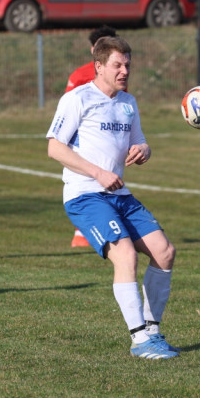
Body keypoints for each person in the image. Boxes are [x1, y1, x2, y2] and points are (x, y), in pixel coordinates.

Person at [47, 36, 180, 360]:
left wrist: (144, 149)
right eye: (118, 65)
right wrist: (98, 173)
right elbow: (54, 147)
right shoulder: (77, 99)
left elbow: (140, 141)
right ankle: (139, 340)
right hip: (85, 195)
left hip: (118, 193)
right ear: (99, 66)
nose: (124, 71)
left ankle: (152, 331)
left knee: (164, 252)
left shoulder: (127, 102)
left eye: (128, 65)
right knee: (125, 256)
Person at [65, 25, 118, 248]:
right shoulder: (79, 76)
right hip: (83, 140)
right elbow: (67, 110)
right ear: (92, 50)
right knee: (87, 180)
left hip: (110, 137)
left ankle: (108, 226)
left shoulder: (118, 75)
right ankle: (81, 232)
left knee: (110, 179)